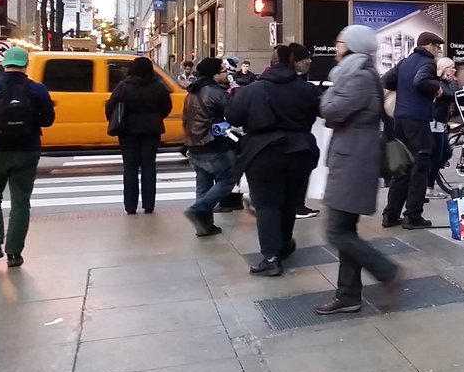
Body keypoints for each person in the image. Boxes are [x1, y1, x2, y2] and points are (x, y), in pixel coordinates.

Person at [314, 26, 402, 314]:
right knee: (344, 229)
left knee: (336, 231)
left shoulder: (359, 77)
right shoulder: (357, 74)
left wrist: (327, 95)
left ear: (353, 46)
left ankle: (387, 272)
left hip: (354, 161)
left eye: (340, 42)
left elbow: (331, 111)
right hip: (353, 158)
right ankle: (349, 295)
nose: (336, 47)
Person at [229, 44, 320, 276]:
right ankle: (284, 243)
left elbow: (233, 116)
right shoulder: (307, 89)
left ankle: (270, 257)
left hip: (263, 152)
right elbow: (317, 112)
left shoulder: (253, 89)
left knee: (267, 205)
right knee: (290, 201)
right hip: (300, 151)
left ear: (271, 63)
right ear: (293, 64)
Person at [0, 47, 55, 268]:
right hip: (27, 151)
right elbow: (48, 120)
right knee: (21, 201)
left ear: (4, 64)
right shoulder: (37, 90)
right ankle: (14, 254)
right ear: (25, 65)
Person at [383, 31, 445, 230]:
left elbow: (386, 80)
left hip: (399, 120)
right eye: (437, 47)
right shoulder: (427, 63)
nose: (438, 51)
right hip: (418, 122)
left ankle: (390, 214)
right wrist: (436, 86)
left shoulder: (405, 62)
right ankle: (413, 216)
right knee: (420, 168)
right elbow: (420, 81)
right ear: (427, 45)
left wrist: (404, 89)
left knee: (401, 168)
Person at [106, 57, 174, 215]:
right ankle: (149, 205)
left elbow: (110, 107)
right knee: (149, 166)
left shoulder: (123, 86)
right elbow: (167, 107)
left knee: (130, 168)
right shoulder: (158, 86)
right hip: (151, 130)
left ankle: (130, 206)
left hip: (127, 131)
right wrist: (155, 117)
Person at [182, 57, 234, 237]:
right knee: (227, 180)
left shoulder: (191, 92)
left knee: (203, 186)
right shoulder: (215, 92)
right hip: (213, 144)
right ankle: (198, 209)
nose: (226, 73)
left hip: (194, 144)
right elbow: (233, 114)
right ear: (214, 74)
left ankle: (204, 226)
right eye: (223, 70)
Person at [427, 57, 459, 200]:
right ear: (444, 69)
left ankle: (428, 181)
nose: (454, 70)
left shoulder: (446, 82)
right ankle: (428, 186)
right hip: (434, 123)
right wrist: (453, 82)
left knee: (445, 153)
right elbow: (452, 94)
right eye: (451, 67)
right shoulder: (439, 83)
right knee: (437, 155)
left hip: (441, 122)